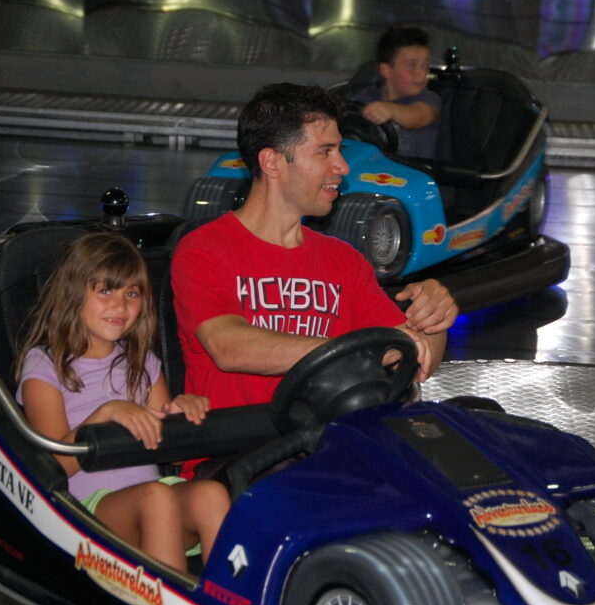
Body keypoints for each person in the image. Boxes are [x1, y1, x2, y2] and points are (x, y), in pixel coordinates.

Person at [172, 83, 457, 419]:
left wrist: (431, 321)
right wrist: (361, 353)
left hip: (327, 448)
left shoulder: (344, 259)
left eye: (340, 151)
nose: (343, 167)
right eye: (326, 152)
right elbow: (229, 347)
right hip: (238, 452)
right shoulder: (203, 250)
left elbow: (415, 357)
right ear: (273, 162)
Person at [15, 232, 230, 573]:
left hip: (152, 497)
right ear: (73, 294)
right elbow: (50, 466)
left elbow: (169, 449)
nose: (120, 305)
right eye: (106, 291)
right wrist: (104, 416)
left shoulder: (143, 363)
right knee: (156, 499)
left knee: (212, 495)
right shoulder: (45, 365)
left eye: (132, 293)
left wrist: (179, 413)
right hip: (83, 509)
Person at [348, 26, 440, 158]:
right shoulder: (363, 97)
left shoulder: (429, 99)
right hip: (370, 172)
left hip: (414, 175)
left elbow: (418, 117)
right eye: (411, 66)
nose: (421, 73)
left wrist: (391, 111)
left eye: (425, 65)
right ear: (386, 70)